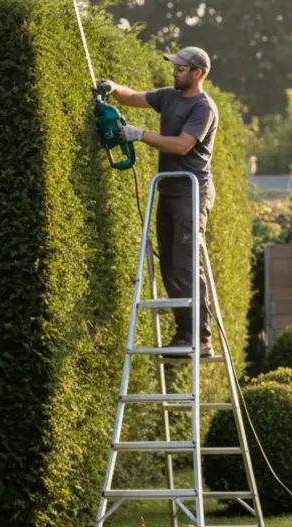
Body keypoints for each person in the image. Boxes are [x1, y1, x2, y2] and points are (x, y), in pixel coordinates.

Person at [97, 46, 220, 357]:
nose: (174, 72)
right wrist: (112, 88)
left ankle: (201, 338)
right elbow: (133, 97)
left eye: (180, 69)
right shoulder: (169, 96)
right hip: (168, 189)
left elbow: (181, 146)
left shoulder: (204, 108)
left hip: (192, 191)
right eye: (174, 67)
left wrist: (139, 134)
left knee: (186, 260)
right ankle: (183, 334)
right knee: (168, 262)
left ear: (197, 74)